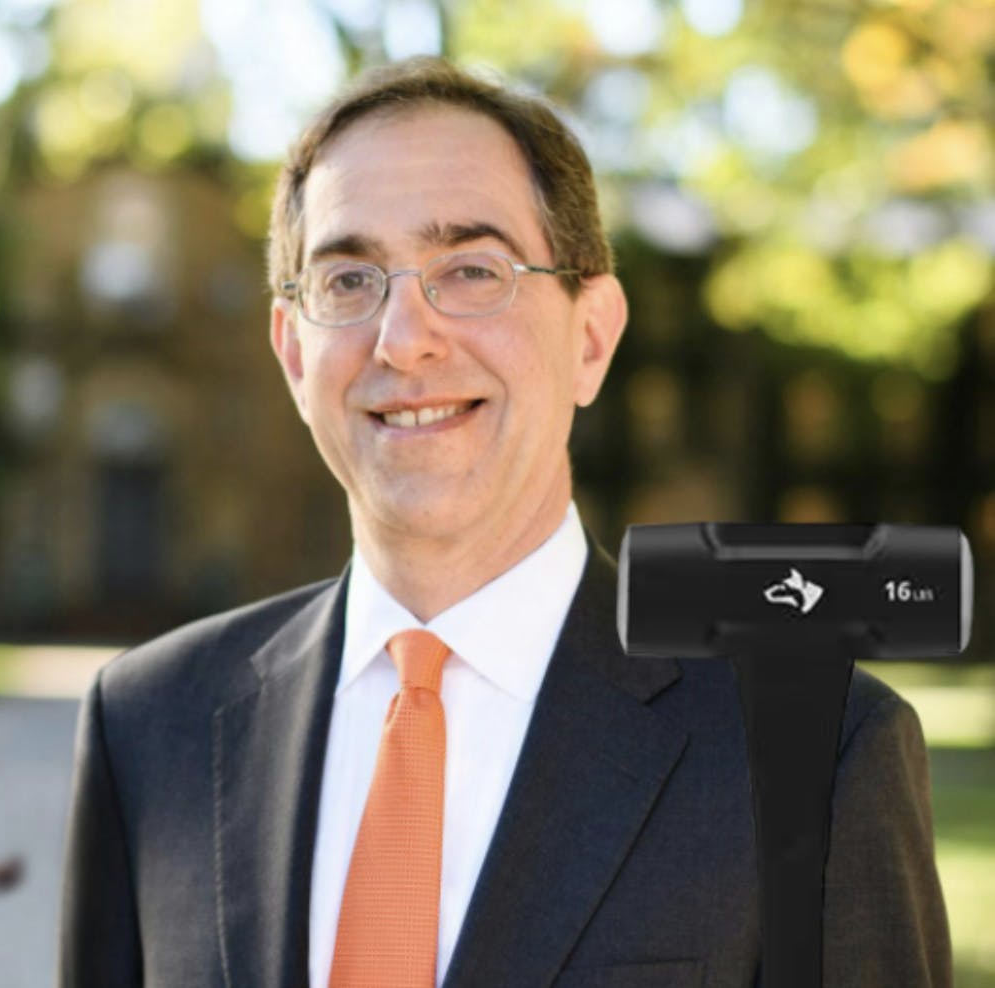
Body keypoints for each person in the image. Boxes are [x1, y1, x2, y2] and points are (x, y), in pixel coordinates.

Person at [59, 57, 949, 988]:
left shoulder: (817, 755)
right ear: (292, 354)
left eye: (472, 270)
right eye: (350, 280)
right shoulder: (147, 727)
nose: (404, 339)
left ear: (590, 337)